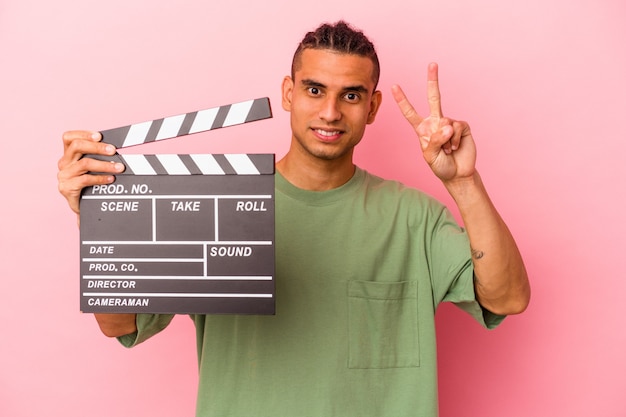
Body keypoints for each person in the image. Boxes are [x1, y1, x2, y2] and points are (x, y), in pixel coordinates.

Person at [57, 21, 530, 417]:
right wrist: (97, 219)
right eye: (314, 89)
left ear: (373, 107)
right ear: (288, 93)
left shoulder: (413, 217)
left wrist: (463, 181)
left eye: (351, 95)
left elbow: (508, 297)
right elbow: (120, 323)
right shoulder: (217, 205)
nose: (329, 111)